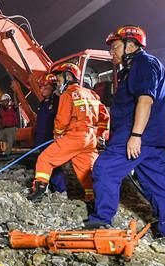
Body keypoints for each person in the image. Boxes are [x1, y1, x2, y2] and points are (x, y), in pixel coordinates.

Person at [85, 26, 165, 243]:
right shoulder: (135, 67)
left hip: (137, 134)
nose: (112, 52)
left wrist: (136, 135)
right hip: (152, 137)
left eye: (115, 47)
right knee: (157, 184)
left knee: (104, 168)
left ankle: (101, 219)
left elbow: (145, 100)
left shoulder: (143, 63)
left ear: (131, 44)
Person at [29, 62, 108, 213]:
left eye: (58, 81)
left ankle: (38, 191)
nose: (58, 85)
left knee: (45, 159)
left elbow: (62, 120)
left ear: (68, 77)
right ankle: (93, 201)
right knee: (87, 172)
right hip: (90, 138)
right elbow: (104, 117)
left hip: (75, 135)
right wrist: (99, 135)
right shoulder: (92, 94)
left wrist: (58, 136)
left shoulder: (68, 94)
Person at [31, 73, 67, 193]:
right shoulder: (42, 104)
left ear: (53, 87)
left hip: (51, 139)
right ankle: (49, 189)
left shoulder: (58, 101)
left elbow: (62, 119)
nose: (42, 89)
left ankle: (61, 191)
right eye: (41, 87)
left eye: (45, 87)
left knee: (54, 166)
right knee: (44, 166)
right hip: (41, 140)